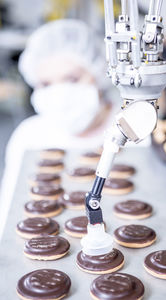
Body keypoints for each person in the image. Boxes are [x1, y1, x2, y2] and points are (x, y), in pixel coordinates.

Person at [0, 19, 119, 239]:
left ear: (100, 71)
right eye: (45, 84)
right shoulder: (28, 136)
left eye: (72, 79)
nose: (59, 94)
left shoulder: (132, 132)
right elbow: (7, 215)